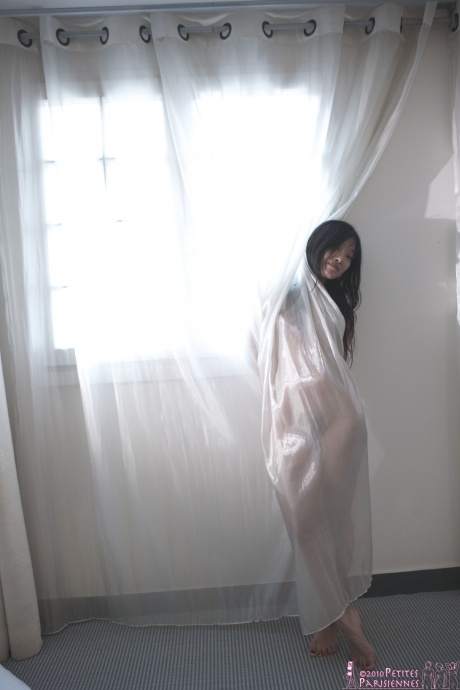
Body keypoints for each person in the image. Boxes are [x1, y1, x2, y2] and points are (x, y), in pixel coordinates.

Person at [260, 220, 375, 670]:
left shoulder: (336, 303)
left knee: (337, 519)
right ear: (316, 246)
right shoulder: (284, 295)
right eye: (336, 249)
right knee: (304, 523)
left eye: (349, 256)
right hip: (293, 427)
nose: (340, 259)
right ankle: (345, 618)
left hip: (340, 421)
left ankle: (328, 617)